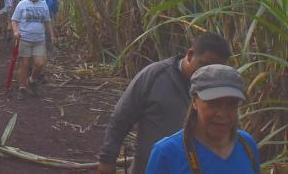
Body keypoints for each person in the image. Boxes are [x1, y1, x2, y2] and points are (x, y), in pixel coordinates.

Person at [97, 32, 232, 174]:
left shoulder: (219, 90)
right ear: (190, 55)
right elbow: (121, 118)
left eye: (216, 69)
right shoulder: (154, 76)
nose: (209, 73)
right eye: (205, 65)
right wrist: (107, 159)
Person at [146, 64, 260, 174]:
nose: (222, 114)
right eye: (214, 103)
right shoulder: (167, 153)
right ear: (195, 101)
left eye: (231, 104)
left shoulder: (246, 144)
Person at [11, 0, 54, 100]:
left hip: (39, 39)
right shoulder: (22, 4)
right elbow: (14, 20)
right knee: (24, 64)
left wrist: (52, 35)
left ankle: (32, 80)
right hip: (24, 38)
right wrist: (15, 31)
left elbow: (47, 21)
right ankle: (22, 88)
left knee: (40, 63)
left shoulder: (44, 5)